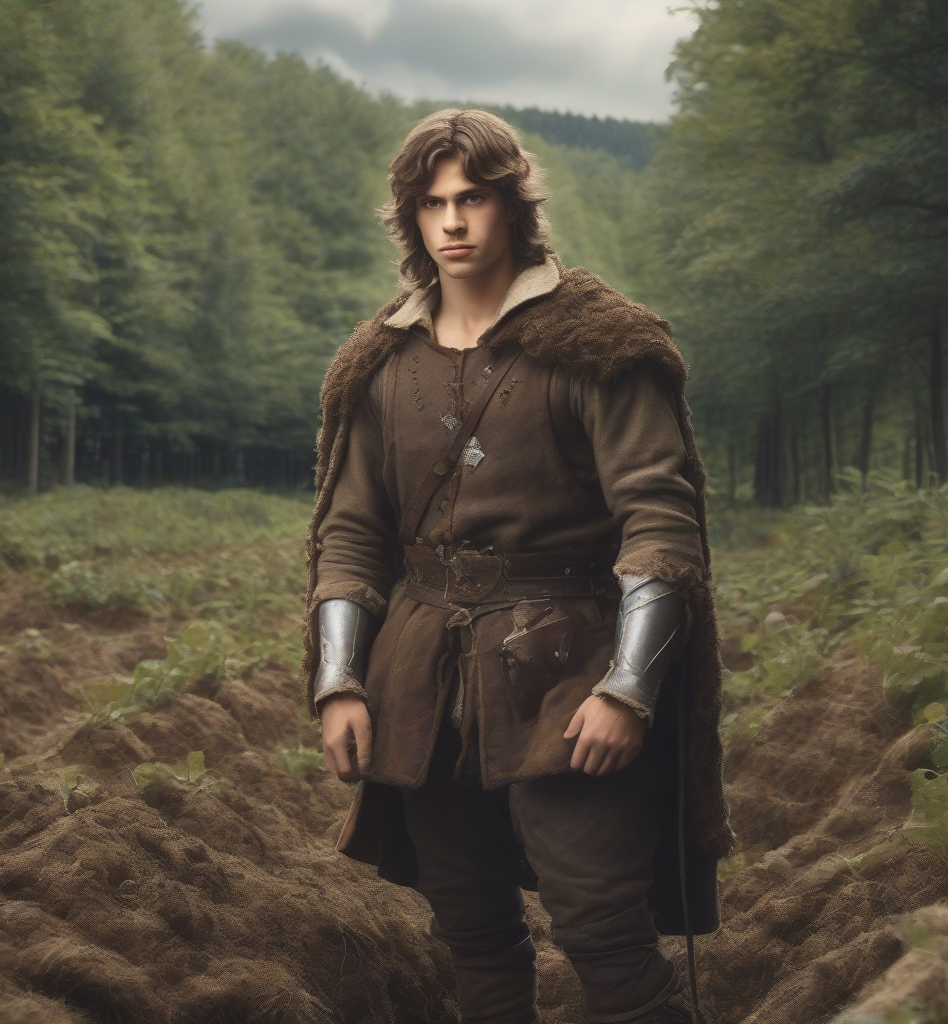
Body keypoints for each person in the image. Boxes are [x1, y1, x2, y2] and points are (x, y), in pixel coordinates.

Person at [300, 109, 733, 1024]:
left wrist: (627, 689)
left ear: (514, 206)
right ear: (411, 219)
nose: (452, 222)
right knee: (470, 932)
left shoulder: (601, 346)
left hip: (567, 669)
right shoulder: (379, 362)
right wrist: (339, 680)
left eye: (473, 198)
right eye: (431, 203)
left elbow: (660, 526)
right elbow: (349, 536)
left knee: (604, 931)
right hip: (418, 683)